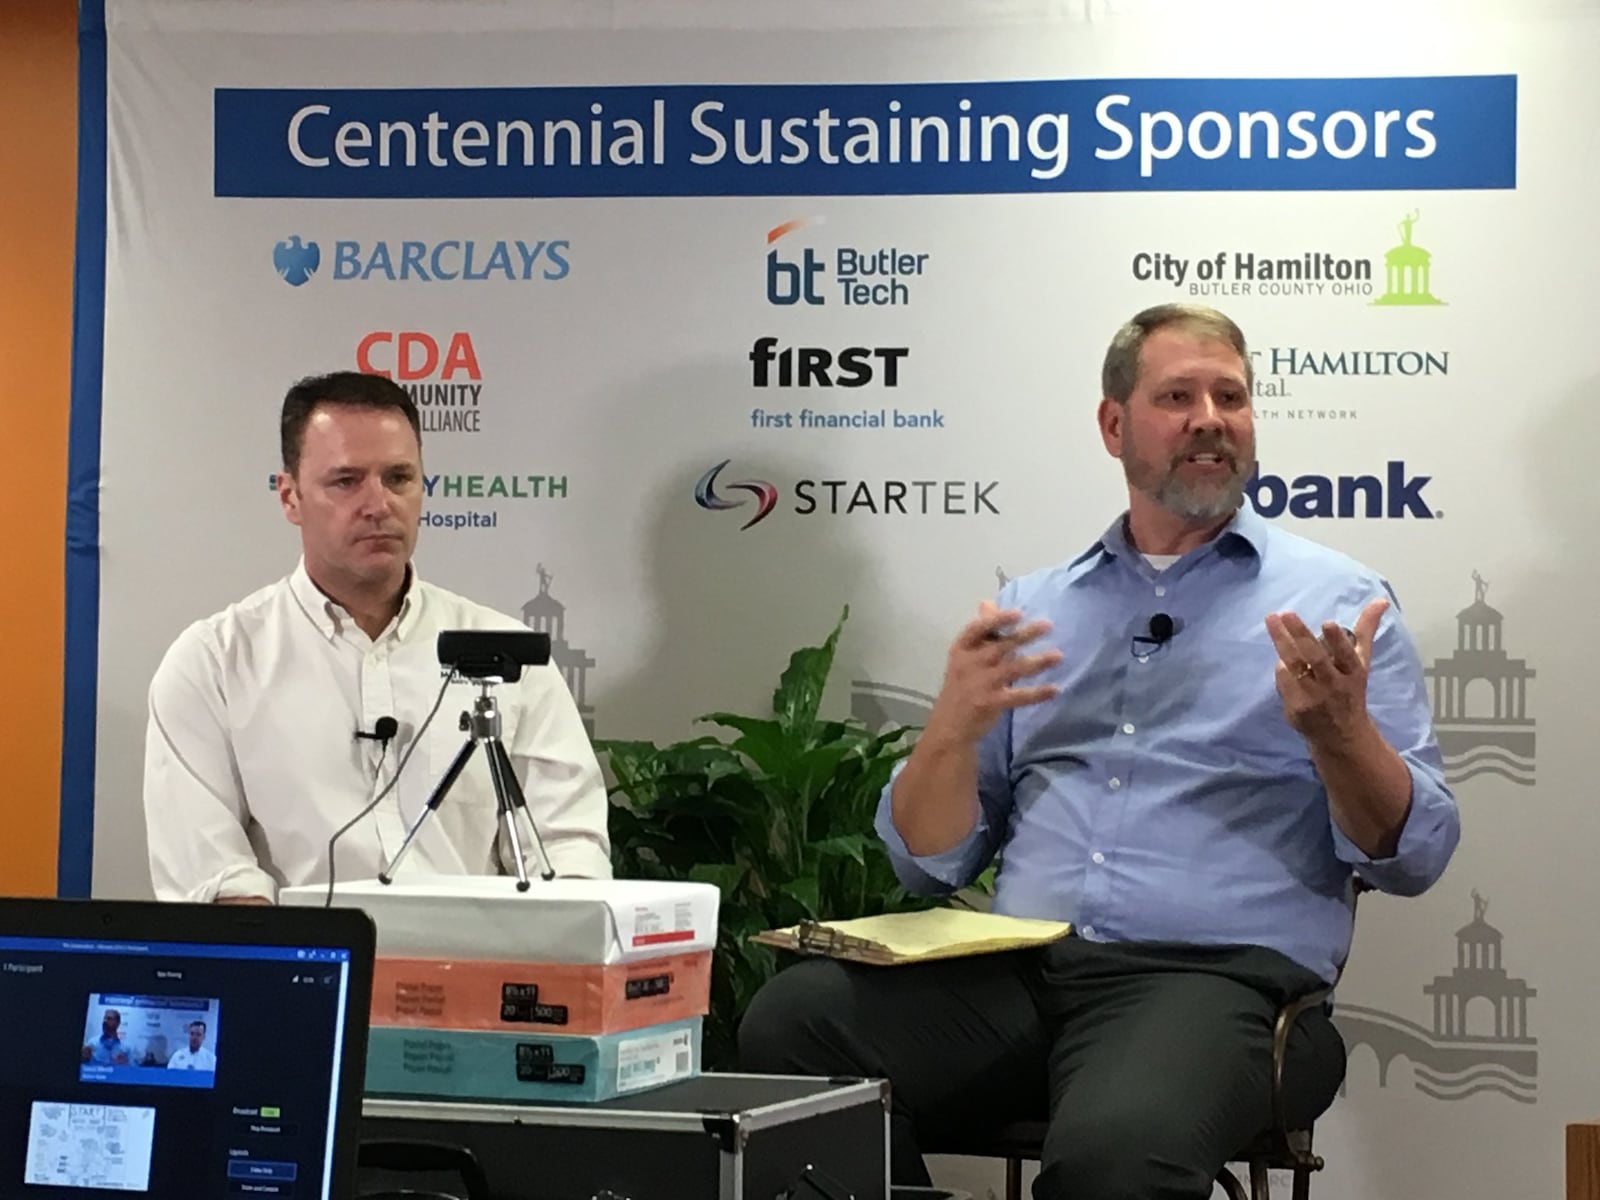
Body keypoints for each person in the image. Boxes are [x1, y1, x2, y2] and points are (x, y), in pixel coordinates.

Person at [738, 304, 1460, 1199]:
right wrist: (952, 729)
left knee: (1116, 1156)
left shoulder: (1336, 605)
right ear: (1114, 426)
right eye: (1177, 395)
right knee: (795, 1025)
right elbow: (928, 864)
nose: (1209, 417)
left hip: (1222, 987)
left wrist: (1340, 736)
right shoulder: (1036, 608)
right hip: (1021, 975)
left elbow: (1415, 855)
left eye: (1229, 396)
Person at [143, 372, 611, 903]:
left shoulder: (509, 655)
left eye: (398, 478)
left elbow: (570, 855)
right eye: (346, 481)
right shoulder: (214, 664)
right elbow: (215, 881)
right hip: (309, 974)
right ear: (290, 497)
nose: (378, 503)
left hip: (482, 972)